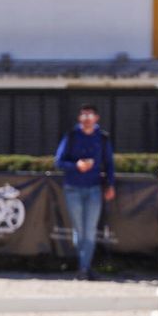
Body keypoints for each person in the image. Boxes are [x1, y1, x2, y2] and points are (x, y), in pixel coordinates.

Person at [54, 104, 115, 279]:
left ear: (96, 118)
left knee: (89, 231)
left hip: (94, 189)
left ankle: (83, 268)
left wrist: (110, 185)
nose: (87, 118)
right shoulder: (71, 136)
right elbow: (58, 161)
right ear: (80, 118)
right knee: (79, 230)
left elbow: (109, 164)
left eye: (90, 115)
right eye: (83, 115)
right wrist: (76, 166)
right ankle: (84, 264)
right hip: (72, 188)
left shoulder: (102, 138)